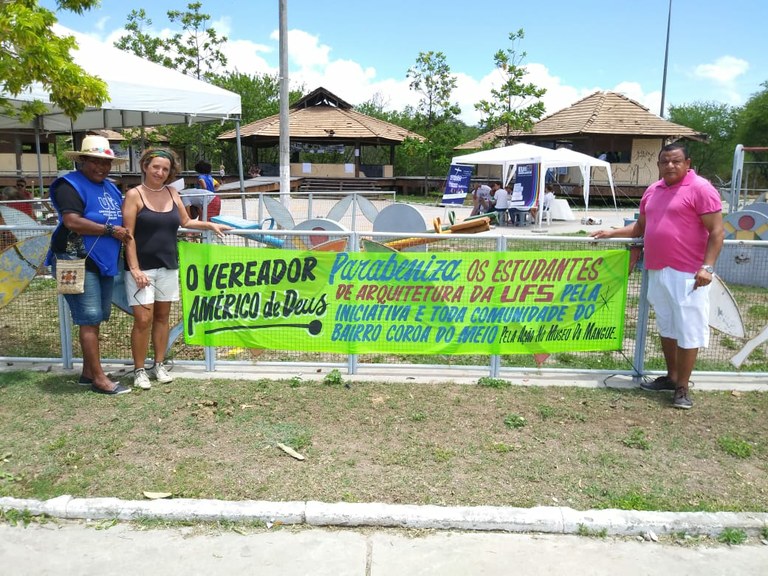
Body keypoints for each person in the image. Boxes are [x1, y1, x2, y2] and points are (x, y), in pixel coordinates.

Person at [591, 143, 724, 409]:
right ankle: (672, 377)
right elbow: (641, 227)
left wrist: (707, 267)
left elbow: (717, 232)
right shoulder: (653, 190)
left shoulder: (701, 188)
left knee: (688, 329)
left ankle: (683, 388)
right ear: (659, 164)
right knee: (667, 327)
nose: (670, 166)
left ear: (688, 162)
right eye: (665, 162)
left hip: (688, 274)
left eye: (676, 161)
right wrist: (611, 233)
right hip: (657, 269)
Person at [122, 149, 231, 390]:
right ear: (145, 167)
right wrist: (135, 269)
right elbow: (128, 236)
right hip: (142, 269)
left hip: (168, 265)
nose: (160, 172)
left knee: (162, 317)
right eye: (155, 167)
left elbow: (186, 222)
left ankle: (158, 364)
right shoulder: (134, 195)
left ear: (171, 172)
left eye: (165, 169)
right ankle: (139, 369)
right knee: (143, 319)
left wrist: (211, 225)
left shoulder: (172, 193)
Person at [45, 135, 133, 395]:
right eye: (95, 162)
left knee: (97, 318)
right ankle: (99, 379)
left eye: (106, 163)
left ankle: (87, 372)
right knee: (89, 317)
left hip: (103, 261)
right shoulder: (68, 185)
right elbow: (72, 221)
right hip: (73, 261)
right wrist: (109, 230)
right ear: (82, 160)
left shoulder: (111, 187)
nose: (101, 168)